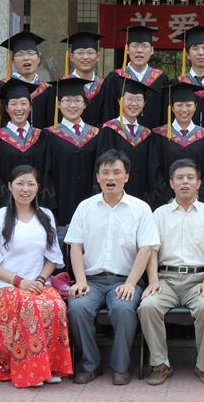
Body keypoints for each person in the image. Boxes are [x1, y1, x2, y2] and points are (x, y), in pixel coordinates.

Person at [65, 150, 159, 385]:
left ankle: (121, 366)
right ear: (97, 177)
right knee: (77, 308)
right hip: (92, 280)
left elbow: (146, 249)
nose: (111, 177)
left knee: (123, 309)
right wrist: (80, 280)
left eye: (117, 172)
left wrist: (130, 283)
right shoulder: (85, 207)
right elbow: (75, 246)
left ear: (126, 177)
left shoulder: (140, 208)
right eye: (105, 172)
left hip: (125, 280)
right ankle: (90, 364)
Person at [0, 165, 72, 388]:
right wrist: (20, 282)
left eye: (30, 184)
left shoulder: (45, 215)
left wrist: (39, 280)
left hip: (38, 285)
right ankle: (30, 370)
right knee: (30, 306)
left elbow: (53, 258)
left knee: (56, 305)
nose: (25, 189)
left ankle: (49, 367)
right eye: (20, 183)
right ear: (10, 187)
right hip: (4, 287)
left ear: (38, 187)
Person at [139, 159, 204, 386]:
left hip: (198, 280)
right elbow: (152, 250)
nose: (185, 182)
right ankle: (160, 364)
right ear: (171, 183)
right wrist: (153, 280)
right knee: (148, 306)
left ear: (198, 183)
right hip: (166, 279)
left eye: (190, 178)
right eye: (180, 178)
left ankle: (203, 365)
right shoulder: (159, 214)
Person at [0, 78, 50, 217]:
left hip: (37, 206)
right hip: (5, 207)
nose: (19, 108)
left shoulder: (42, 137)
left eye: (24, 103)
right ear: (6, 108)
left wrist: (34, 197)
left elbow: (47, 171)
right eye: (13, 104)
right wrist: (11, 199)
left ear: (30, 107)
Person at [44, 77, 100, 227]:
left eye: (77, 101)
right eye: (67, 101)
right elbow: (45, 174)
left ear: (85, 105)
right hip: (61, 207)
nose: (73, 105)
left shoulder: (96, 134)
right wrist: (50, 205)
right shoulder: (48, 135)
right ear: (58, 104)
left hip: (91, 204)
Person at [149, 81, 204, 207]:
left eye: (189, 105)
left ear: (195, 106)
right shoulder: (159, 135)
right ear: (172, 108)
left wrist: (197, 196)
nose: (184, 109)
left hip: (197, 202)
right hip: (167, 203)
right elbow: (155, 170)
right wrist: (168, 198)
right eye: (179, 105)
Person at [96, 77, 156, 202]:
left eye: (139, 99)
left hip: (141, 196)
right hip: (114, 195)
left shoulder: (147, 134)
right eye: (129, 99)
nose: (134, 104)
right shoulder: (109, 130)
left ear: (144, 103)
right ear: (120, 101)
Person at [101, 26, 169, 129]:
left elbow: (165, 115)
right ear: (127, 50)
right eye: (135, 46)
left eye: (145, 46)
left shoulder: (161, 79)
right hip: (120, 136)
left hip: (152, 136)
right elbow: (107, 112)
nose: (139, 50)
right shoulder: (115, 78)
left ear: (152, 50)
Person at [0, 31, 51, 129]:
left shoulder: (48, 90)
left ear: (38, 59)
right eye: (20, 54)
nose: (26, 58)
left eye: (31, 53)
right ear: (13, 61)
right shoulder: (0, 88)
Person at [60, 31, 107, 126]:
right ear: (71, 57)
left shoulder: (105, 86)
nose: (85, 57)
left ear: (98, 57)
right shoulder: (61, 85)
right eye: (80, 52)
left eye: (90, 52)